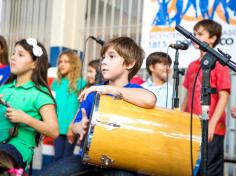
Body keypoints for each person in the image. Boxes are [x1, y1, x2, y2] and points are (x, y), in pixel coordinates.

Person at [39, 36, 157, 176]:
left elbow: (149, 99)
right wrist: (80, 126)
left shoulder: (133, 90)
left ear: (130, 63)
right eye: (103, 57)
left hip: (121, 163)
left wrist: (108, 89)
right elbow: (75, 126)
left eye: (111, 57)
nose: (104, 62)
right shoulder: (92, 92)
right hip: (90, 160)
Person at [0, 38, 59, 175]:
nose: (13, 57)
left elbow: (54, 131)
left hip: (16, 151)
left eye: (20, 55)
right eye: (13, 53)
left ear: (35, 63)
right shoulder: (4, 88)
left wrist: (26, 119)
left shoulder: (40, 94)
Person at [181, 19, 230, 176]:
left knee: (210, 169)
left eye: (200, 34)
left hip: (212, 128)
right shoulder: (192, 66)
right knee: (191, 167)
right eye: (194, 33)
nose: (195, 36)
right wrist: (180, 117)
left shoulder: (220, 64)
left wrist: (212, 124)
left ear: (213, 38)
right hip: (192, 125)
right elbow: (188, 94)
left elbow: (224, 96)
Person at [52, 50, 86, 161]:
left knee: (66, 159)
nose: (62, 64)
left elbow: (82, 107)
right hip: (57, 127)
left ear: (74, 64)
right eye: (60, 61)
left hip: (71, 128)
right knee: (57, 159)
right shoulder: (55, 83)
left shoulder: (81, 83)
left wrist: (72, 127)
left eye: (66, 61)